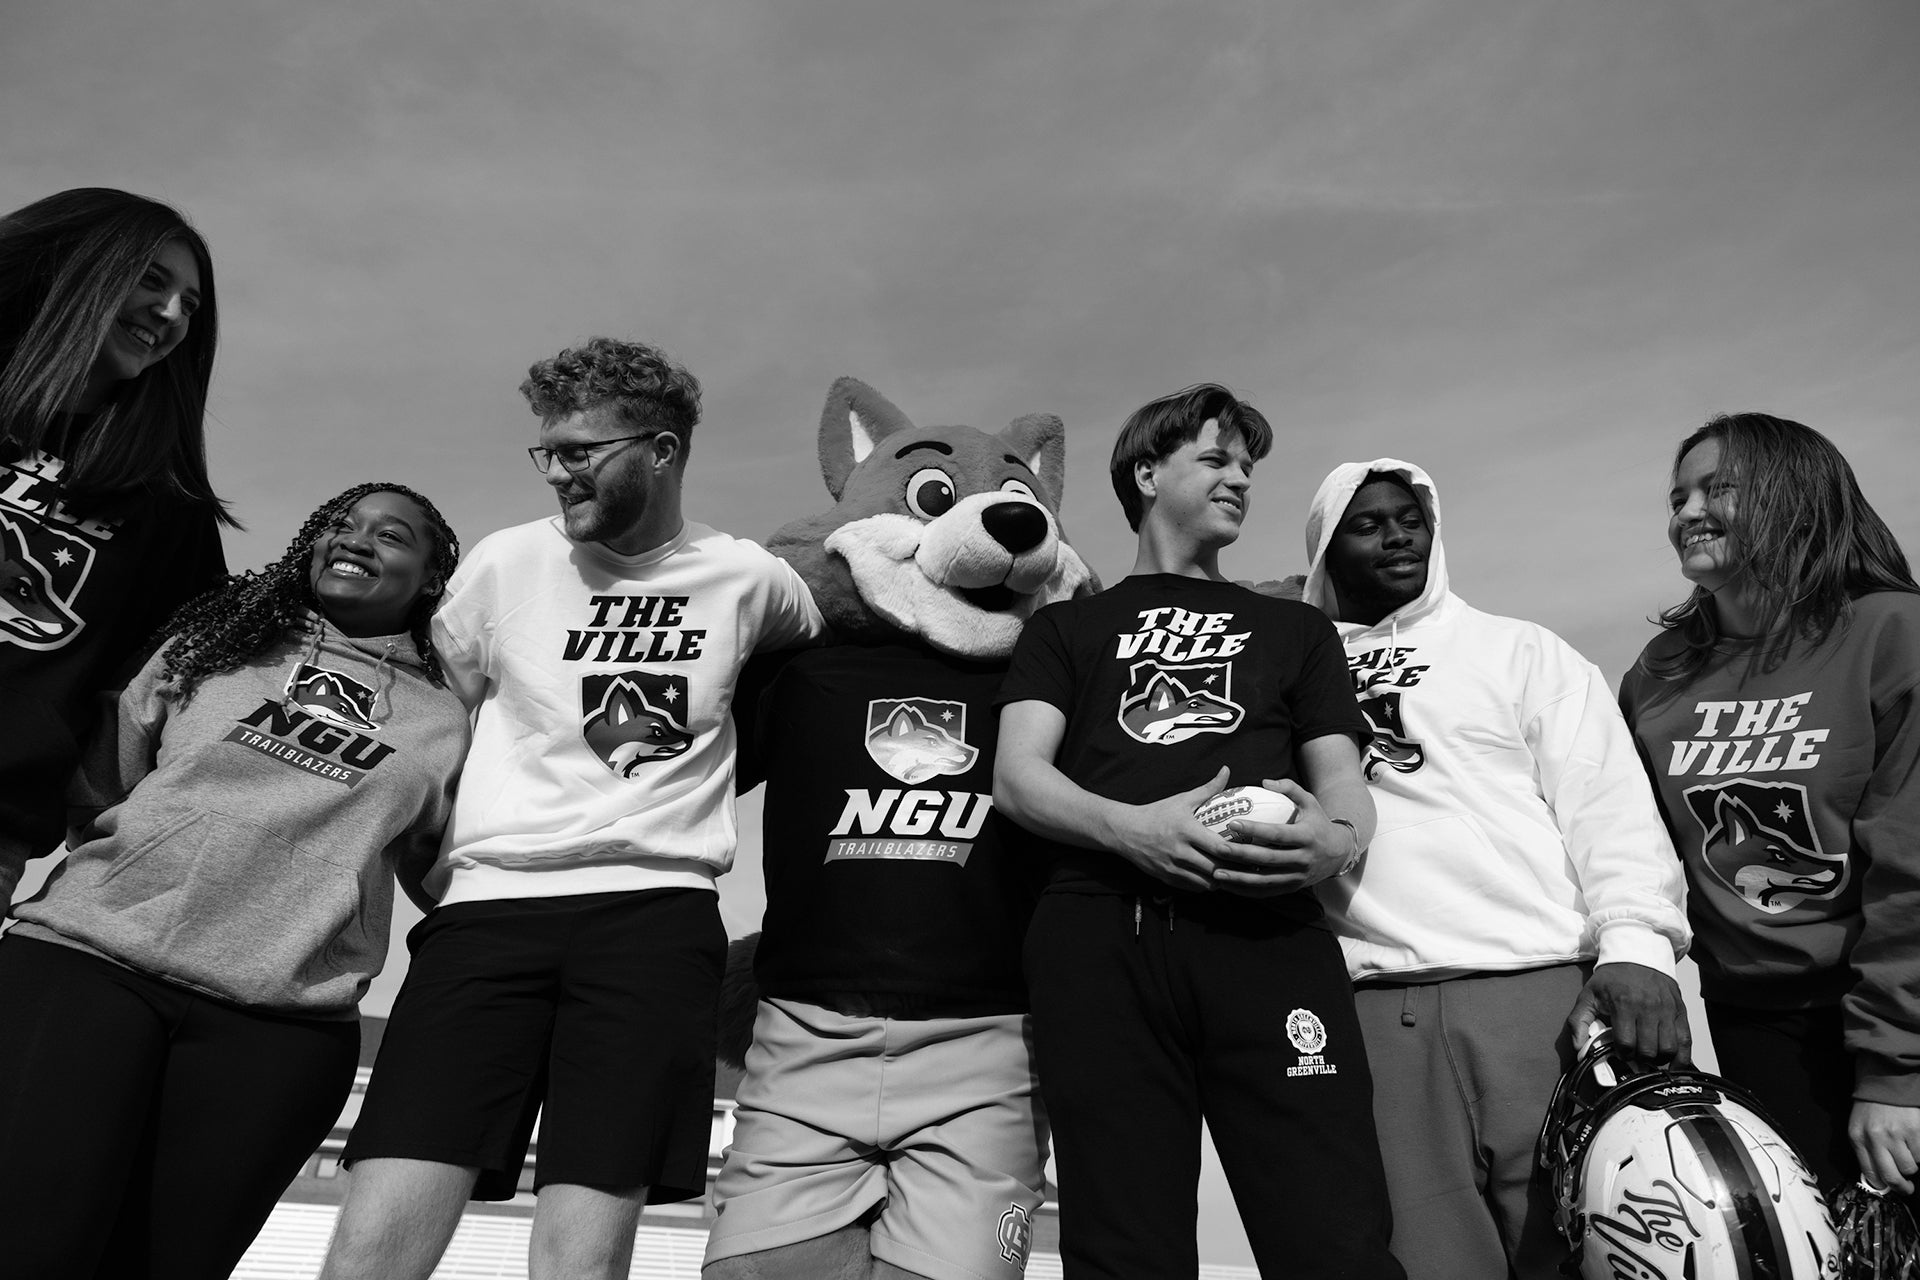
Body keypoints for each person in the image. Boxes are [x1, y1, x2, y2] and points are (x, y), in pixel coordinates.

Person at [321, 338, 825, 1280]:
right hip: (486, 917)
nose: (557, 471)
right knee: (372, 1244)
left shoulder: (753, 580)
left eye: (580, 451)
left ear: (663, 451)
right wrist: (440, 870)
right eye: (545, 452)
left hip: (655, 917)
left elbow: (839, 658)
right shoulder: (507, 564)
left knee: (582, 1258)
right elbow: (426, 728)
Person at [0, 482, 466, 1279]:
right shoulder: (212, 643)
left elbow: (437, 864)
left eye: (391, 536)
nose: (355, 541)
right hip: (90, 965)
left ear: (429, 579)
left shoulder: (449, 718)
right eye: (340, 525)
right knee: (28, 1244)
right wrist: (171, 860)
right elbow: (103, 780)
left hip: (279, 1023)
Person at [993, 384, 1401, 1278]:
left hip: (1270, 937)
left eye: (1247, 467)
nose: (1240, 482)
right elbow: (1019, 778)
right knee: (1123, 1248)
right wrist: (1131, 830)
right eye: (1216, 460)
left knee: (1335, 1240)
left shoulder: (1295, 627)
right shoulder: (1068, 626)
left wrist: (1337, 841)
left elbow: (1343, 781)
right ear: (1146, 473)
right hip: (1100, 935)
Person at [1297, 459, 1691, 1279]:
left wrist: (1638, 949)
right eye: (1367, 524)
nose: (1397, 533)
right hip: (1374, 1008)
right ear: (1326, 547)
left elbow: (1607, 804)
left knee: (1600, 1250)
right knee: (1429, 1260)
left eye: (1410, 517)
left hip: (1540, 999)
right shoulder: (1293, 667)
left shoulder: (1520, 650)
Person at [1620, 413, 1920, 1198]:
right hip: (1754, 1020)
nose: (1686, 514)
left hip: (1893, 1006)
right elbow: (1635, 852)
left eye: (1717, 491)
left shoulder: (1894, 633)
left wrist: (1895, 1072)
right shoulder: (1655, 679)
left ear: (1795, 498)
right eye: (1677, 496)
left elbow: (1912, 861)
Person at [0, 188, 233, 903]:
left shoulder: (167, 509)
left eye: (190, 305)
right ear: (79, 271)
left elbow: (180, 681)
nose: (169, 315)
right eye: (152, 280)